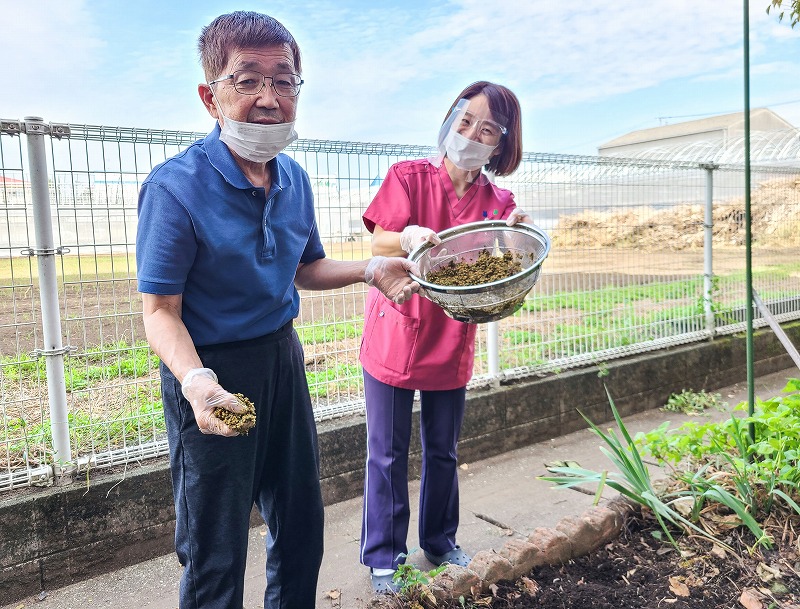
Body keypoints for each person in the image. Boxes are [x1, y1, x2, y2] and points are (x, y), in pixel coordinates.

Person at [135, 11, 419, 609]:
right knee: (215, 545)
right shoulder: (175, 188)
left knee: (300, 523)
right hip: (210, 372)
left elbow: (304, 268)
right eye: (247, 80)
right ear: (209, 96)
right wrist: (195, 381)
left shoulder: (293, 178)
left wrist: (370, 269)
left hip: (281, 360)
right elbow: (160, 309)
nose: (270, 97)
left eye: (285, 81)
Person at [358, 81, 532, 593]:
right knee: (386, 452)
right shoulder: (408, 178)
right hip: (397, 331)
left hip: (451, 337)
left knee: (442, 450)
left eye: (488, 129)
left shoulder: (498, 199)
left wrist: (516, 230)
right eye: (465, 121)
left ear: (501, 144)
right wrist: (408, 235)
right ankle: (385, 556)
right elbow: (378, 238)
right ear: (449, 121)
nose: (472, 134)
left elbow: (504, 252)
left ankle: (439, 539)